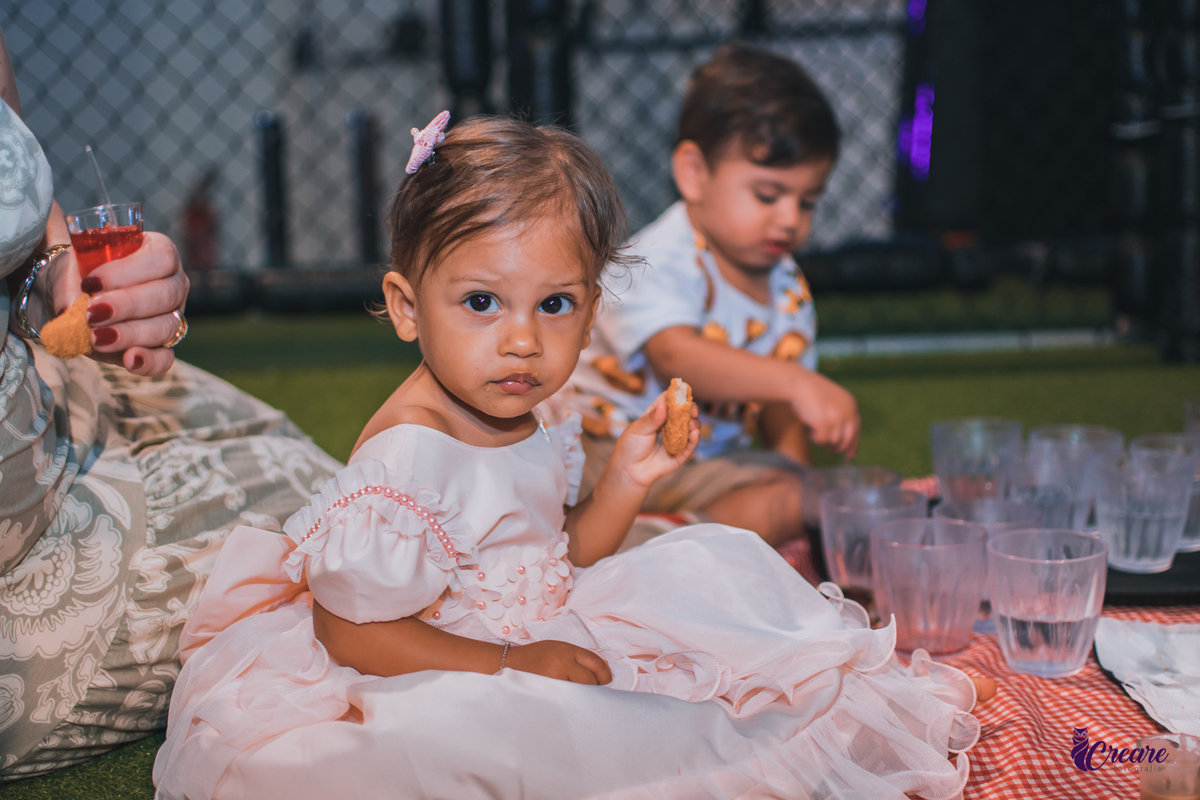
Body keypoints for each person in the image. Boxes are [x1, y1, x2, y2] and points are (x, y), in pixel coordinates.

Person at [153, 115, 986, 800]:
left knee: (718, 564)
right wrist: (511, 666)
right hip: (430, 662)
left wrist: (627, 478)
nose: (522, 341)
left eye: (555, 304)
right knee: (572, 735)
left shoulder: (538, 407)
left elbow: (554, 557)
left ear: (592, 310)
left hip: (529, 620)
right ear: (408, 307)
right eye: (481, 302)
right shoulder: (409, 457)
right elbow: (349, 628)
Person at [0, 28, 340, 780]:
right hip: (24, 582)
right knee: (343, 550)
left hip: (52, 405)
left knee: (331, 485)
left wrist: (68, 282)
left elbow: (29, 231)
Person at [564, 43, 860, 549]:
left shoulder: (785, 283)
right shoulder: (660, 256)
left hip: (700, 466)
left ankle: (668, 541)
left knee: (812, 495)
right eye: (767, 195)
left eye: (807, 201)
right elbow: (676, 355)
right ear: (694, 173)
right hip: (604, 452)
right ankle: (625, 538)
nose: (790, 218)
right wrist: (795, 382)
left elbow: (776, 404)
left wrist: (795, 473)